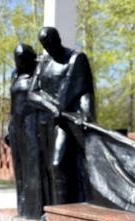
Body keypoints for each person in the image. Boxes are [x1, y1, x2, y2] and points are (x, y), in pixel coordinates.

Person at [28, 27, 95, 205]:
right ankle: (54, 211)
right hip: (46, 123)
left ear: (59, 38)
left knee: (59, 164)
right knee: (50, 167)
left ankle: (62, 213)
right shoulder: (43, 63)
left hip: (68, 122)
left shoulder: (76, 59)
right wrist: (50, 107)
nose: (51, 47)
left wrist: (86, 114)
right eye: (46, 45)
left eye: (53, 43)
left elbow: (85, 91)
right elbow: (32, 93)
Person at [6, 43, 46, 220]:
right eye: (18, 60)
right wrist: (9, 125)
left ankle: (37, 210)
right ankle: (22, 209)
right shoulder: (15, 74)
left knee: (34, 165)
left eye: (24, 60)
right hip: (16, 124)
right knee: (20, 167)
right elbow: (13, 103)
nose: (21, 63)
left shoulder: (39, 73)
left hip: (32, 122)